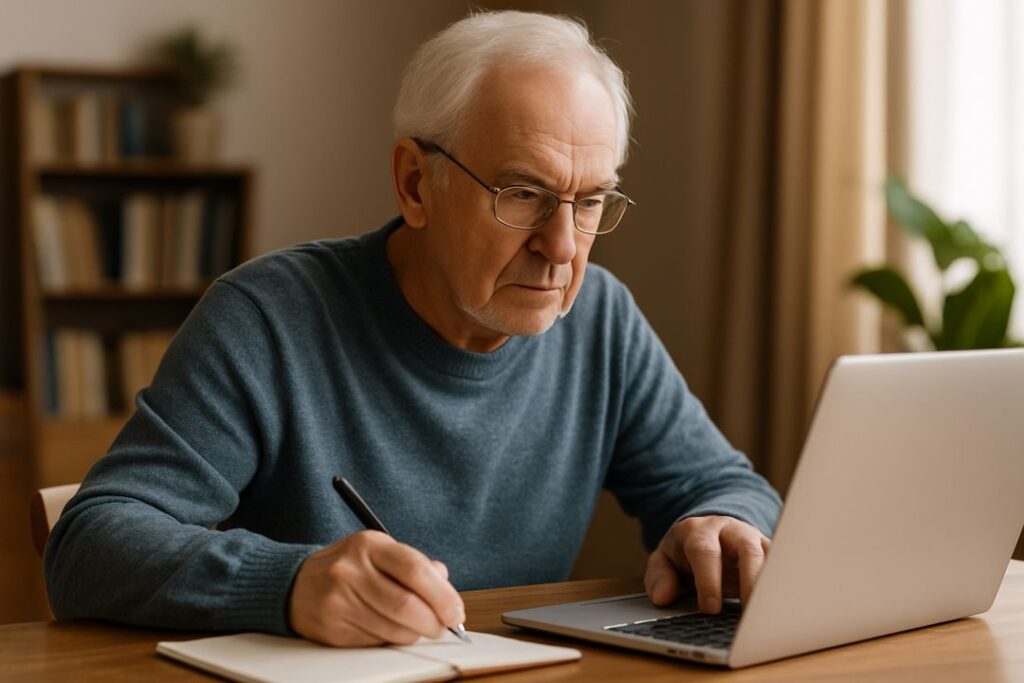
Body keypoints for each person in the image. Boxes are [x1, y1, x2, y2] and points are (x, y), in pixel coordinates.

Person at [45, 10, 782, 648]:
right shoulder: (269, 316)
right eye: (522, 193)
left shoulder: (600, 319)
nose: (562, 247)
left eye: (588, 201)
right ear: (414, 183)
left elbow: (720, 483)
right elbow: (89, 543)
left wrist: (717, 523)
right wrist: (289, 581)